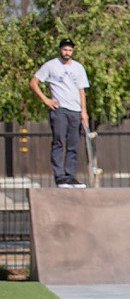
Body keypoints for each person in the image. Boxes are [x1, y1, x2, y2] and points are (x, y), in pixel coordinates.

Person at [30, 38, 90, 188]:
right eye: (64, 49)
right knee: (59, 141)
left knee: (73, 144)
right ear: (60, 49)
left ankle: (70, 176)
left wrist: (84, 111)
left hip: (75, 110)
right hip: (60, 110)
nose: (67, 53)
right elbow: (33, 82)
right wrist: (46, 100)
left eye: (69, 50)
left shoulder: (78, 67)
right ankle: (59, 176)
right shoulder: (51, 65)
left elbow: (81, 90)